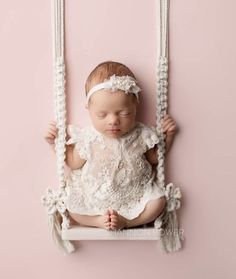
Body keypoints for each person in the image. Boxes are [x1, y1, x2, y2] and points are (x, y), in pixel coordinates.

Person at [44, 61, 178, 231]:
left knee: (159, 202)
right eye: (102, 114)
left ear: (135, 106)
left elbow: (155, 158)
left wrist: (170, 135)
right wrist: (55, 143)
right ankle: (97, 221)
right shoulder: (89, 138)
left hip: (135, 195)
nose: (113, 120)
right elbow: (72, 161)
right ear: (89, 109)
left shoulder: (141, 134)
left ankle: (128, 222)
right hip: (95, 197)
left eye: (124, 113)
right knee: (67, 203)